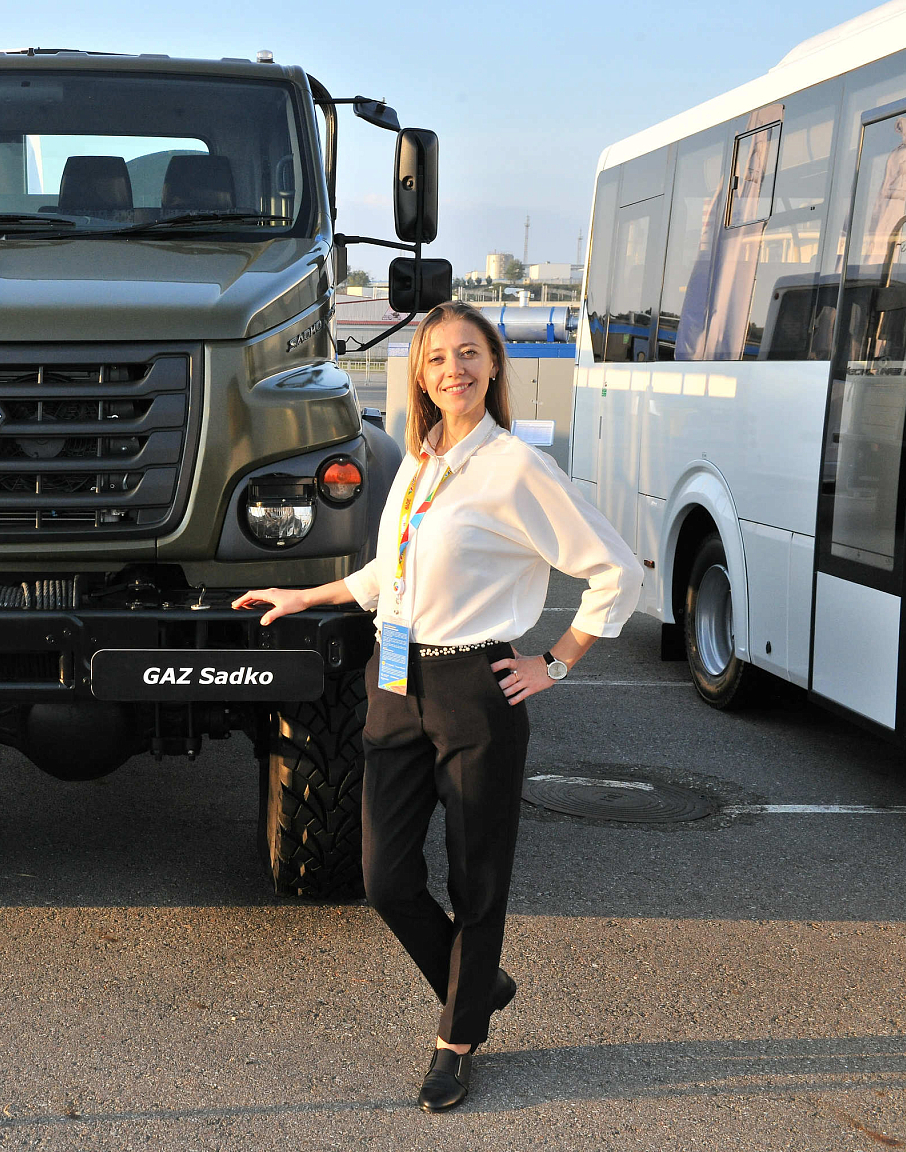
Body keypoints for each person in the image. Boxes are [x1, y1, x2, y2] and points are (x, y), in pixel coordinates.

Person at [231, 301, 641, 1111]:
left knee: (476, 878)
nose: (454, 369)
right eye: (438, 358)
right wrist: (305, 595)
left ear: (493, 366)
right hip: (393, 675)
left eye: (469, 353)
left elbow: (615, 569)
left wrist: (556, 661)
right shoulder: (419, 462)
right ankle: (477, 982)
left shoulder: (515, 468)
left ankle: (456, 1040)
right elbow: (390, 573)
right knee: (384, 878)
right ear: (419, 375)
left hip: (472, 687)